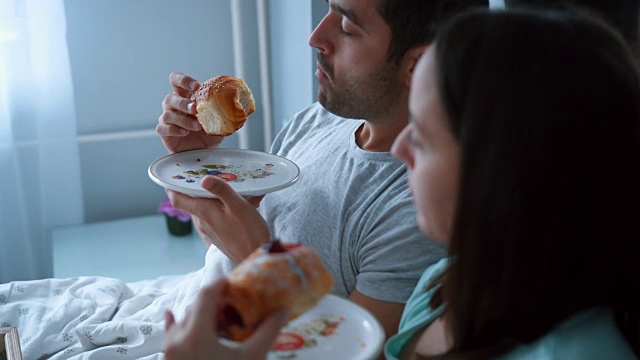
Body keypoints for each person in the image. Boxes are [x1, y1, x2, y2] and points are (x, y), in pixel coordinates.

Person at [163, 7, 640, 360]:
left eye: (427, 137)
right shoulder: (443, 288)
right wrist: (202, 162)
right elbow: (222, 224)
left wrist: (259, 260)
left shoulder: (576, 351)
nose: (315, 37)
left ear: (507, 171)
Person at [157, 0, 487, 339]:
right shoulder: (316, 121)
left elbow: (349, 347)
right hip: (188, 315)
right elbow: (220, 245)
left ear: (416, 63)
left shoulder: (417, 214)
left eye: (346, 27)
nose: (315, 37)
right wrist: (194, 165)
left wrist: (258, 262)